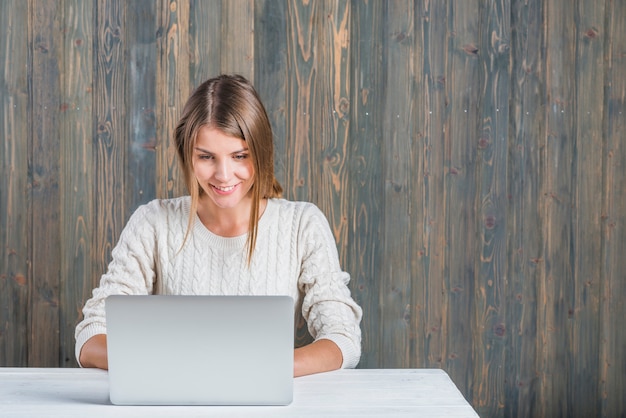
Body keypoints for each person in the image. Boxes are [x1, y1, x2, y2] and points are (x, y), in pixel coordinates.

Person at [74, 74, 362, 377]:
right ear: (188, 155)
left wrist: (264, 368)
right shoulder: (152, 223)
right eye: (206, 157)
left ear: (261, 152)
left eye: (239, 156)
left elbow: (342, 338)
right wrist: (172, 364)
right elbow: (91, 336)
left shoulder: (303, 225)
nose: (224, 175)